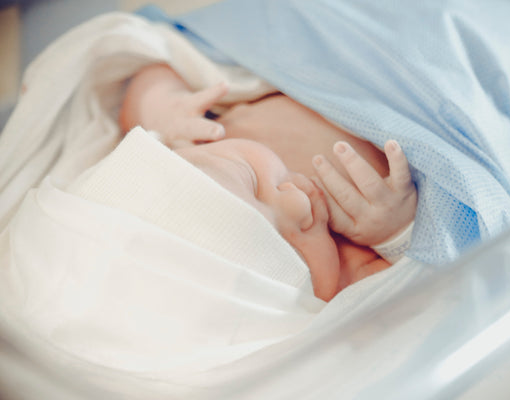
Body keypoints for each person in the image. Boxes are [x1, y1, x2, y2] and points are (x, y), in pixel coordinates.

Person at [119, 63, 418, 301]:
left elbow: (150, 66)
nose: (297, 203)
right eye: (294, 255)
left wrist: (163, 111)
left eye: (251, 181)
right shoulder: (342, 274)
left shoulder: (196, 140)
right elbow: (415, 290)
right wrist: (394, 235)